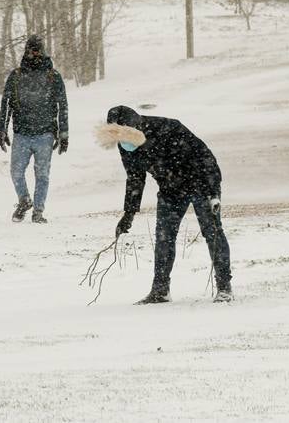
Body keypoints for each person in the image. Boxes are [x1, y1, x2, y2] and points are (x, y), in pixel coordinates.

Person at [96, 105, 233, 304]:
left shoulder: (169, 127)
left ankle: (224, 288)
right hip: (171, 189)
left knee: (212, 232)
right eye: (117, 135)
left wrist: (213, 192)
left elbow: (205, 157)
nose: (123, 140)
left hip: (200, 182)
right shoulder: (124, 144)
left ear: (137, 126)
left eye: (126, 133)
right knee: (164, 237)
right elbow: (135, 178)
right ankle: (160, 291)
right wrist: (129, 213)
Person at [0, 35, 69, 224]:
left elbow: (63, 105)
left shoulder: (53, 76)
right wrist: (1, 129)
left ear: (43, 51)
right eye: (31, 50)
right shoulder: (16, 76)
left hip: (45, 134)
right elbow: (6, 103)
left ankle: (38, 211)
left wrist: (64, 133)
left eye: (37, 50)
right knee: (16, 172)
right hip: (21, 133)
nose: (34, 53)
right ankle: (24, 200)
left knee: (42, 175)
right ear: (27, 51)